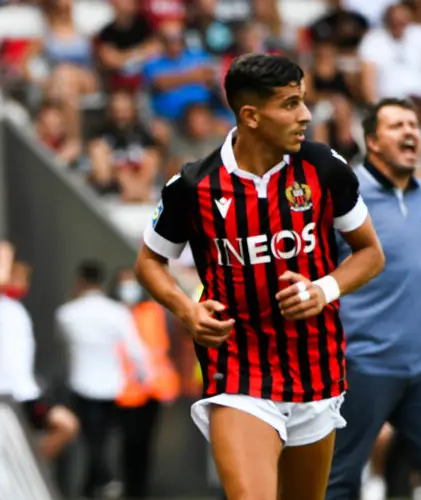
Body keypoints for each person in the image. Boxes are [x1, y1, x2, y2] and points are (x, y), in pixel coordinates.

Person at [134, 53, 386, 500]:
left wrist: (323, 289)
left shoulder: (325, 168)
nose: (305, 114)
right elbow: (150, 263)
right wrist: (188, 310)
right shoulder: (193, 186)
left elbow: (370, 253)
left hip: (316, 368)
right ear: (251, 116)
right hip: (239, 369)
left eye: (303, 101)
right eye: (290, 104)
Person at [326, 98, 421, 500]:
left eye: (413, 124)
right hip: (361, 365)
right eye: (397, 126)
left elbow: (418, 263)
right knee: (337, 482)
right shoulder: (344, 193)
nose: (411, 131)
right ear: (373, 141)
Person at [55, 260, 147, 499]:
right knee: (104, 437)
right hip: (112, 386)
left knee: (90, 438)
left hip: (81, 384)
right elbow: (136, 349)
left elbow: (63, 342)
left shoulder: (67, 314)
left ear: (80, 281)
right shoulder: (117, 313)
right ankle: (97, 482)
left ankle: (99, 480)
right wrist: (144, 377)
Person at [0, 241, 79, 461]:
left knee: (67, 425)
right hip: (2, 394)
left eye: (25, 278)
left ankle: (30, 465)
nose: (22, 282)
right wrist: (5, 255)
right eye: (17, 275)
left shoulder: (17, 308)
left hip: (27, 393)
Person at [111, 267, 180, 499]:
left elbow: (163, 348)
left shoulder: (154, 312)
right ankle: (130, 488)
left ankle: (139, 490)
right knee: (129, 442)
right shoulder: (115, 314)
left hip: (153, 389)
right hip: (123, 389)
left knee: (144, 443)